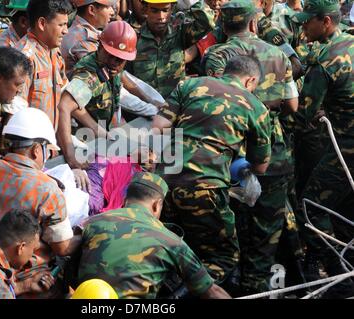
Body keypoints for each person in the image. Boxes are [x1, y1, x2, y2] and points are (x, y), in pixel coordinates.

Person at [152, 55, 272, 293]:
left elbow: (159, 125)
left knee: (167, 247)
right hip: (205, 188)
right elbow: (261, 167)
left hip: (163, 184)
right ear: (250, 81)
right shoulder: (255, 106)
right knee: (223, 256)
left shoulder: (189, 85)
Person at [203, 0, 300, 294]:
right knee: (266, 231)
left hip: (230, 152)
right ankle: (256, 286)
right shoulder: (276, 53)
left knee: (232, 225)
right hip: (273, 152)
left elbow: (216, 104)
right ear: (254, 23)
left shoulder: (216, 55)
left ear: (222, 24)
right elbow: (292, 105)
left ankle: (232, 283)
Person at [78, 172, 232, 299]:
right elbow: (211, 292)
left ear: (125, 200)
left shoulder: (92, 222)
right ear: (157, 205)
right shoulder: (172, 241)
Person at [292, 0, 354, 298]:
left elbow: (302, 115)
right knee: (345, 208)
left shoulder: (327, 61)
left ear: (326, 21)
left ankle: (337, 273)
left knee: (311, 206)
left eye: (308, 22)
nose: (303, 27)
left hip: (345, 151)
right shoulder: (351, 43)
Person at [0, 107, 79, 259]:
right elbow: (63, 248)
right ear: (37, 150)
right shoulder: (49, 190)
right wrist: (85, 233)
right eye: (47, 150)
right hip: (20, 268)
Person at [57, 20, 137, 169]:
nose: (115, 62)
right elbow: (64, 106)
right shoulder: (89, 76)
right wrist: (70, 154)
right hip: (85, 144)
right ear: (100, 47)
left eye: (121, 59)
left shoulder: (111, 69)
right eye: (111, 55)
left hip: (105, 138)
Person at [127, 0, 213, 99]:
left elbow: (207, 22)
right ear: (145, 9)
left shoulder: (180, 33)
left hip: (176, 104)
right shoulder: (134, 38)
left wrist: (191, 2)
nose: (161, 17)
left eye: (165, 10)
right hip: (144, 106)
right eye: (154, 11)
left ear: (172, 9)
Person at [15, 0, 72, 129]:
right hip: (31, 143)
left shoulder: (54, 52)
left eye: (66, 24)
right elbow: (15, 111)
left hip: (50, 142)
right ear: (42, 23)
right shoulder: (25, 58)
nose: (66, 31)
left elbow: (64, 97)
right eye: (61, 25)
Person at [60, 0, 115, 78]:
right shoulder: (83, 39)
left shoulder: (80, 30)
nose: (112, 12)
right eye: (108, 7)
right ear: (91, 10)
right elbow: (105, 75)